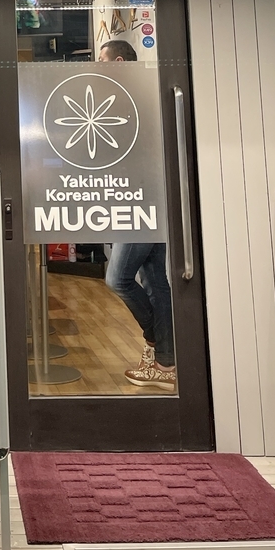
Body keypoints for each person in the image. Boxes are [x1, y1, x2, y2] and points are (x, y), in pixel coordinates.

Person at [98, 38, 176, 392]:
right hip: (145, 198)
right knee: (156, 282)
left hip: (139, 201)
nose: (98, 67)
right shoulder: (138, 94)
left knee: (118, 279)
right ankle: (166, 363)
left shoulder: (131, 97)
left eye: (102, 61)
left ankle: (157, 341)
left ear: (118, 62)